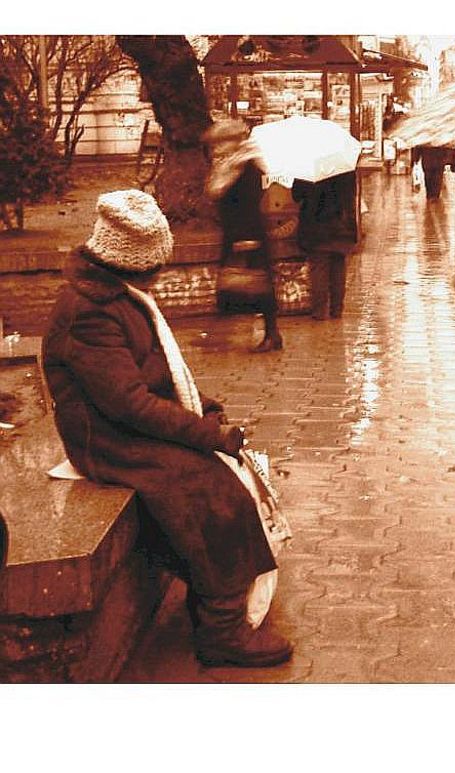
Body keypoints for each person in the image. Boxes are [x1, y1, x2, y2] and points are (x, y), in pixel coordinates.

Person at [41, 189, 293, 667]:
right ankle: (220, 630)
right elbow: (129, 404)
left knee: (220, 474)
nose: (159, 274)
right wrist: (206, 435)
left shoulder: (120, 296)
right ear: (137, 263)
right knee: (207, 487)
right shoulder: (90, 311)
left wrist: (206, 411)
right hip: (104, 439)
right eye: (155, 266)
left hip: (123, 425)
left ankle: (215, 603)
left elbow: (157, 375)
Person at [203, 120, 283, 352]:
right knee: (236, 285)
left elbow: (247, 204)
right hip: (235, 234)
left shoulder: (246, 167)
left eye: (220, 143)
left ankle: (271, 334)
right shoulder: (229, 166)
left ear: (233, 142)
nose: (215, 148)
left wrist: (245, 240)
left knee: (260, 288)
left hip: (248, 234)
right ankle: (226, 332)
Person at [292, 171, 358, 320]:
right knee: (338, 266)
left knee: (319, 267)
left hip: (316, 225)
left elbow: (296, 195)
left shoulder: (307, 169)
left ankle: (320, 312)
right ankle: (336, 310)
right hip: (341, 224)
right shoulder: (345, 167)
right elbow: (351, 193)